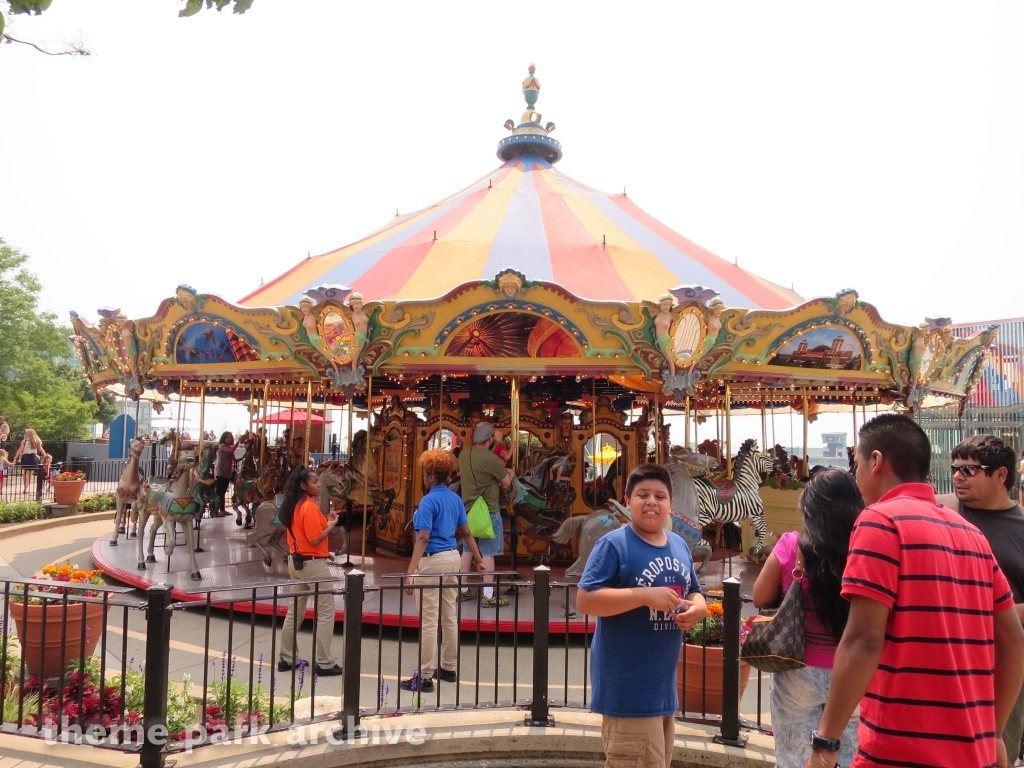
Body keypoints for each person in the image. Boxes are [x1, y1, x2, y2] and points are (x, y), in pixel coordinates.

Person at [807, 414, 1024, 768]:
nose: (856, 477)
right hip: (973, 751)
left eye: (856, 464)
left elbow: (864, 639)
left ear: (875, 461)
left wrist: (826, 741)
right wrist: (995, 733)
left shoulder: (881, 520)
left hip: (900, 750)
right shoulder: (971, 533)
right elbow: (1014, 639)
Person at [576, 463, 708, 768]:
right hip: (628, 692)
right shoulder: (614, 545)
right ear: (628, 500)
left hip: (662, 691)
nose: (652, 501)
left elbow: (695, 590)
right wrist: (643, 595)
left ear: (671, 505)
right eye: (642, 495)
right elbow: (585, 600)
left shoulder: (678, 545)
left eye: (660, 496)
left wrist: (699, 608)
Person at [753, 469, 863, 767]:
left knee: (795, 758)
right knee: (853, 758)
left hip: (799, 668)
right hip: (856, 671)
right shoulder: (867, 548)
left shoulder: (793, 545)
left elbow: (760, 597)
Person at [937, 435, 1024, 764]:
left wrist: (990, 613)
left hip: (1005, 661)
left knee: (997, 749)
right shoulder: (939, 511)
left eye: (970, 470)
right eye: (955, 468)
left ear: (1000, 475)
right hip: (942, 656)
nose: (958, 476)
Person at [400, 449, 486, 693]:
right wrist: (478, 560)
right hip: (452, 559)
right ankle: (448, 667)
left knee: (429, 619)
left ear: (429, 476)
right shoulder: (454, 499)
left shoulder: (428, 501)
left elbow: (423, 538)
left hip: (432, 560)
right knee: (449, 614)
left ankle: (425, 676)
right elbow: (466, 533)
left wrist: (410, 571)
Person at [276, 466, 343, 677]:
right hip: (313, 565)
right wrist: (332, 527)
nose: (319, 484)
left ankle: (287, 658)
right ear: (303, 486)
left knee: (294, 611)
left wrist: (328, 520)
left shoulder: (294, 506)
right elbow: (315, 538)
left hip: (296, 563)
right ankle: (324, 662)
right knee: (326, 612)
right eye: (315, 482)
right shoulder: (310, 507)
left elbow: (309, 532)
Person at [456, 422, 514, 607]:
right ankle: (488, 595)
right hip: (488, 512)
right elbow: (505, 483)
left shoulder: (464, 455)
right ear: (490, 439)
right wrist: (510, 473)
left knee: (467, 551)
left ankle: (462, 590)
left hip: (468, 512)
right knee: (488, 553)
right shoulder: (492, 459)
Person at [13, 429, 44, 497]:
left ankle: (26, 488)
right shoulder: (25, 441)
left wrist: (45, 456)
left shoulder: (36, 441)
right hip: (26, 456)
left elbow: (40, 449)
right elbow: (20, 449)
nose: (25, 433)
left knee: (29, 473)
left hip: (32, 456)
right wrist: (16, 457)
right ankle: (25, 487)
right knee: (25, 472)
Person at [214, 432, 235, 520]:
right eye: (227, 437)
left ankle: (222, 509)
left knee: (223, 492)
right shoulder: (221, 446)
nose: (229, 439)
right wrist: (239, 441)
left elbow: (234, 459)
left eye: (230, 437)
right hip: (221, 471)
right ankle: (215, 510)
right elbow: (231, 450)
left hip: (226, 472)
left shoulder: (229, 448)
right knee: (219, 492)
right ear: (224, 438)